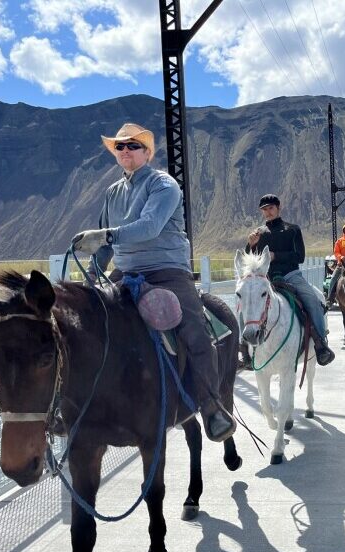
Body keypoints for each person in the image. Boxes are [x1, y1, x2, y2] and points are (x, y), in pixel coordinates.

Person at [72, 122, 236, 443]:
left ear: (147, 152)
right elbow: (104, 247)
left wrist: (106, 234)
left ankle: (212, 406)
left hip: (167, 271)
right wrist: (90, 280)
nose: (125, 151)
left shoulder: (164, 184)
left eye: (133, 146)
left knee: (194, 332)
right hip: (125, 273)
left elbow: (149, 226)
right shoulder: (112, 193)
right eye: (120, 147)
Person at [242, 194, 335, 368]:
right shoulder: (258, 233)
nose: (267, 212)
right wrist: (251, 245)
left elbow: (300, 256)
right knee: (245, 300)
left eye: (270, 208)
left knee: (313, 301)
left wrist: (275, 255)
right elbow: (250, 260)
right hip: (266, 279)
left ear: (278, 207)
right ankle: (244, 351)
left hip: (291, 276)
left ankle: (321, 345)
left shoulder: (293, 229)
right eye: (264, 210)